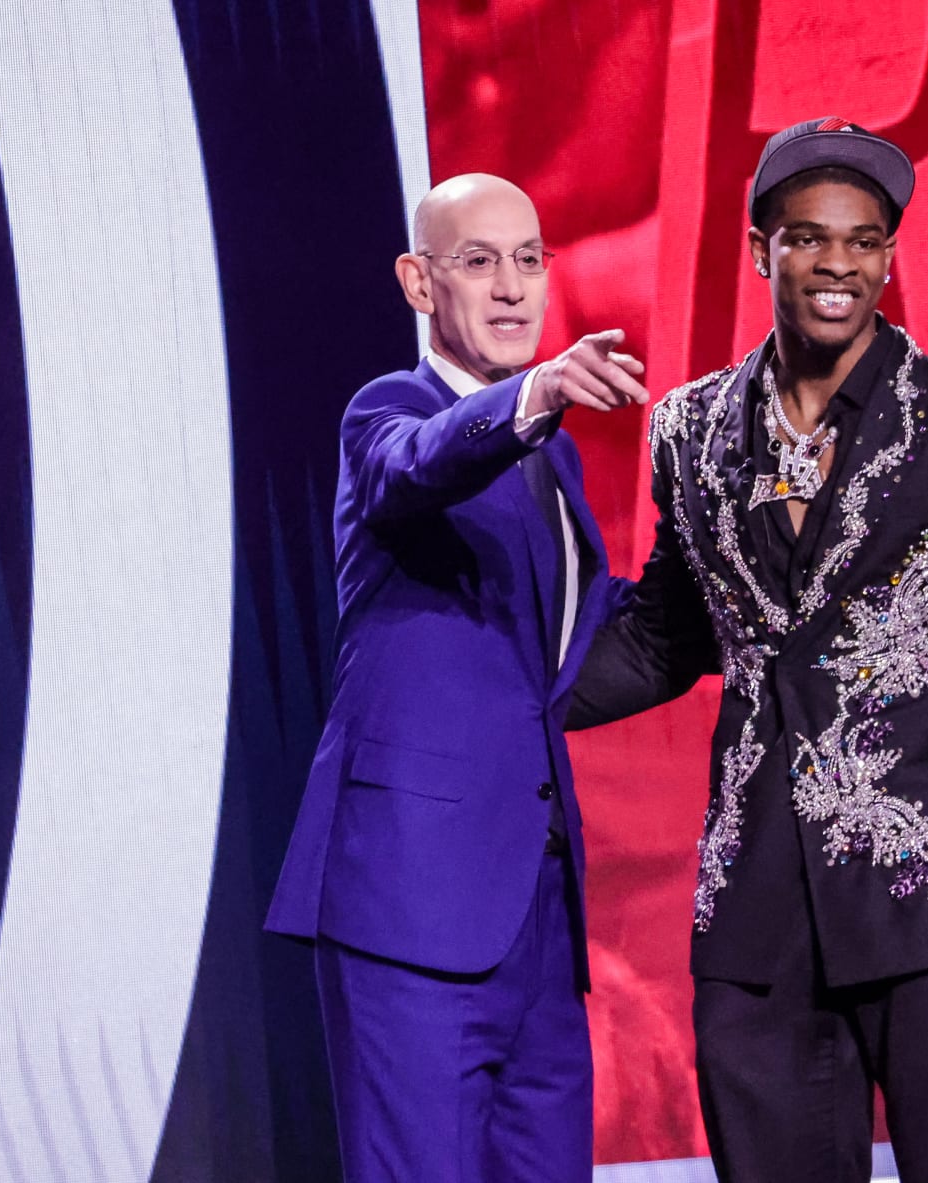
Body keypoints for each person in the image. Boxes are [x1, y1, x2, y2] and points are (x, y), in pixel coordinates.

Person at [569, 119, 928, 1181]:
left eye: (862, 241)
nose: (836, 264)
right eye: (807, 238)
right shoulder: (689, 429)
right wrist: (499, 690)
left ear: (889, 257)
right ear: (761, 250)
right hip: (758, 904)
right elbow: (669, 637)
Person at [264, 173, 648, 1182]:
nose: (513, 287)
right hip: (412, 903)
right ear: (418, 282)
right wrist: (537, 394)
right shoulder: (388, 412)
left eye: (529, 259)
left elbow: (583, 649)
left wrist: (751, 566)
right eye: (479, 261)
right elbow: (415, 468)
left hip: (537, 917)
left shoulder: (552, 464)